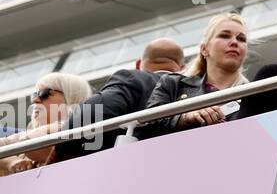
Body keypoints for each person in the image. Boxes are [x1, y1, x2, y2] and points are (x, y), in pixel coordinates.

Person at [49, 38, 185, 157]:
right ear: (182, 68)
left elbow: (91, 112)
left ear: (138, 64)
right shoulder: (193, 87)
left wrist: (60, 149)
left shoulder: (133, 79)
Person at [142, 14, 250, 135]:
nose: (234, 42)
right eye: (224, 36)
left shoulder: (255, 95)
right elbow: (147, 127)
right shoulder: (173, 84)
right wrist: (184, 118)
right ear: (204, 49)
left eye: (241, 39)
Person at [0, 73, 92, 175]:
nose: (35, 100)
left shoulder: (77, 130)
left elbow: (30, 139)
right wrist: (9, 161)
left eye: (44, 93)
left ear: (71, 97)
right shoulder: (27, 134)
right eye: (35, 95)